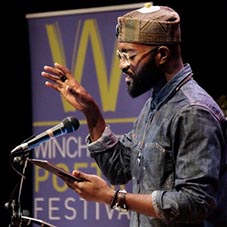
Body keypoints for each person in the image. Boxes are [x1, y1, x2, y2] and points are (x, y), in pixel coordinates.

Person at [41, 3, 227, 227]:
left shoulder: (193, 111)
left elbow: (196, 202)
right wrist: (91, 111)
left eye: (129, 56)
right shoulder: (156, 104)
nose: (122, 65)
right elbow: (119, 168)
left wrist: (112, 198)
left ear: (161, 55)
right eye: (120, 55)